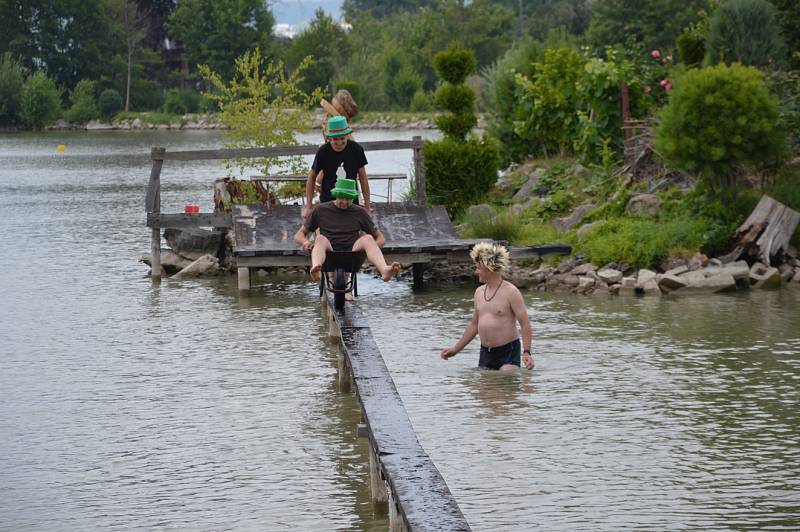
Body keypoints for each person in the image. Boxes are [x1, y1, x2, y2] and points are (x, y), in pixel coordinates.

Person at [440, 242, 534, 371]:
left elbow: (525, 323)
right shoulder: (479, 292)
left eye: (478, 268)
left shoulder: (511, 292)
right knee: (485, 387)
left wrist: (527, 351)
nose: (476, 271)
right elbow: (474, 325)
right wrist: (455, 349)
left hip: (508, 351)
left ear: (489, 268)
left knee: (504, 378)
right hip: (486, 353)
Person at [294, 177, 400, 283]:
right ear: (336, 195)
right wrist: (306, 242)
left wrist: (371, 249)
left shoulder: (360, 212)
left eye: (348, 199)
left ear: (353, 198)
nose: (344, 202)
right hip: (329, 250)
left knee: (368, 238)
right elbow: (299, 234)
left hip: (353, 252)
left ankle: (384, 270)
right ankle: (317, 269)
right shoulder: (321, 210)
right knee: (320, 238)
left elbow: (380, 238)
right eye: (341, 198)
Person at [302, 115, 370, 220]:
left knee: (356, 231)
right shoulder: (323, 152)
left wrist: (367, 207)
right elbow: (311, 177)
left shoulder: (357, 150)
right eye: (335, 139)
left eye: (342, 138)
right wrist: (309, 206)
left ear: (347, 135)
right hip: (328, 201)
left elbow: (363, 178)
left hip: (351, 200)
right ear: (329, 138)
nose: (339, 142)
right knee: (327, 231)